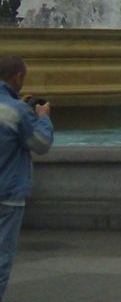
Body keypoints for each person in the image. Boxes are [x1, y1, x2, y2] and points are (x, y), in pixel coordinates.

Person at [0, 56, 53, 298]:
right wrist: (42, 117)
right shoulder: (18, 110)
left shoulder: (14, 107)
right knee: (1, 257)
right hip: (7, 193)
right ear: (18, 76)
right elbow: (40, 144)